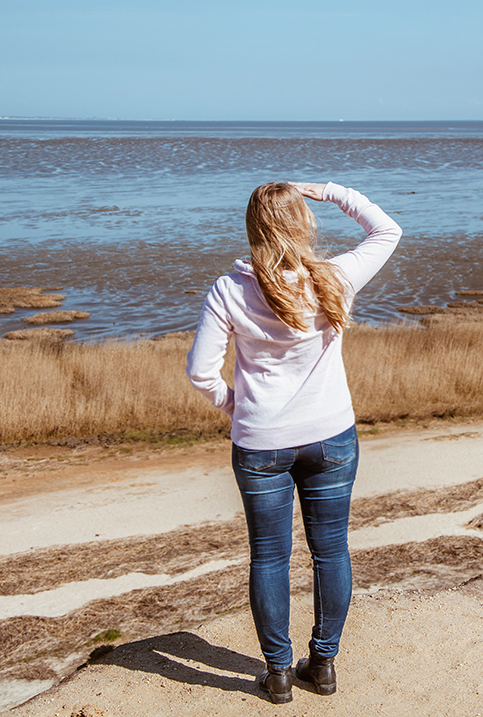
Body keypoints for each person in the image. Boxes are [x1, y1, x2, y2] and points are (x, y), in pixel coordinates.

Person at [185, 181, 401, 704]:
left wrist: (236, 405)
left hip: (261, 446)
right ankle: (322, 666)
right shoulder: (333, 278)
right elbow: (386, 229)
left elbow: (200, 374)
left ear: (253, 228)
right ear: (304, 222)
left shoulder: (229, 289)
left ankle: (279, 674)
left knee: (269, 557)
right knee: (330, 552)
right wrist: (327, 191)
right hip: (332, 438)